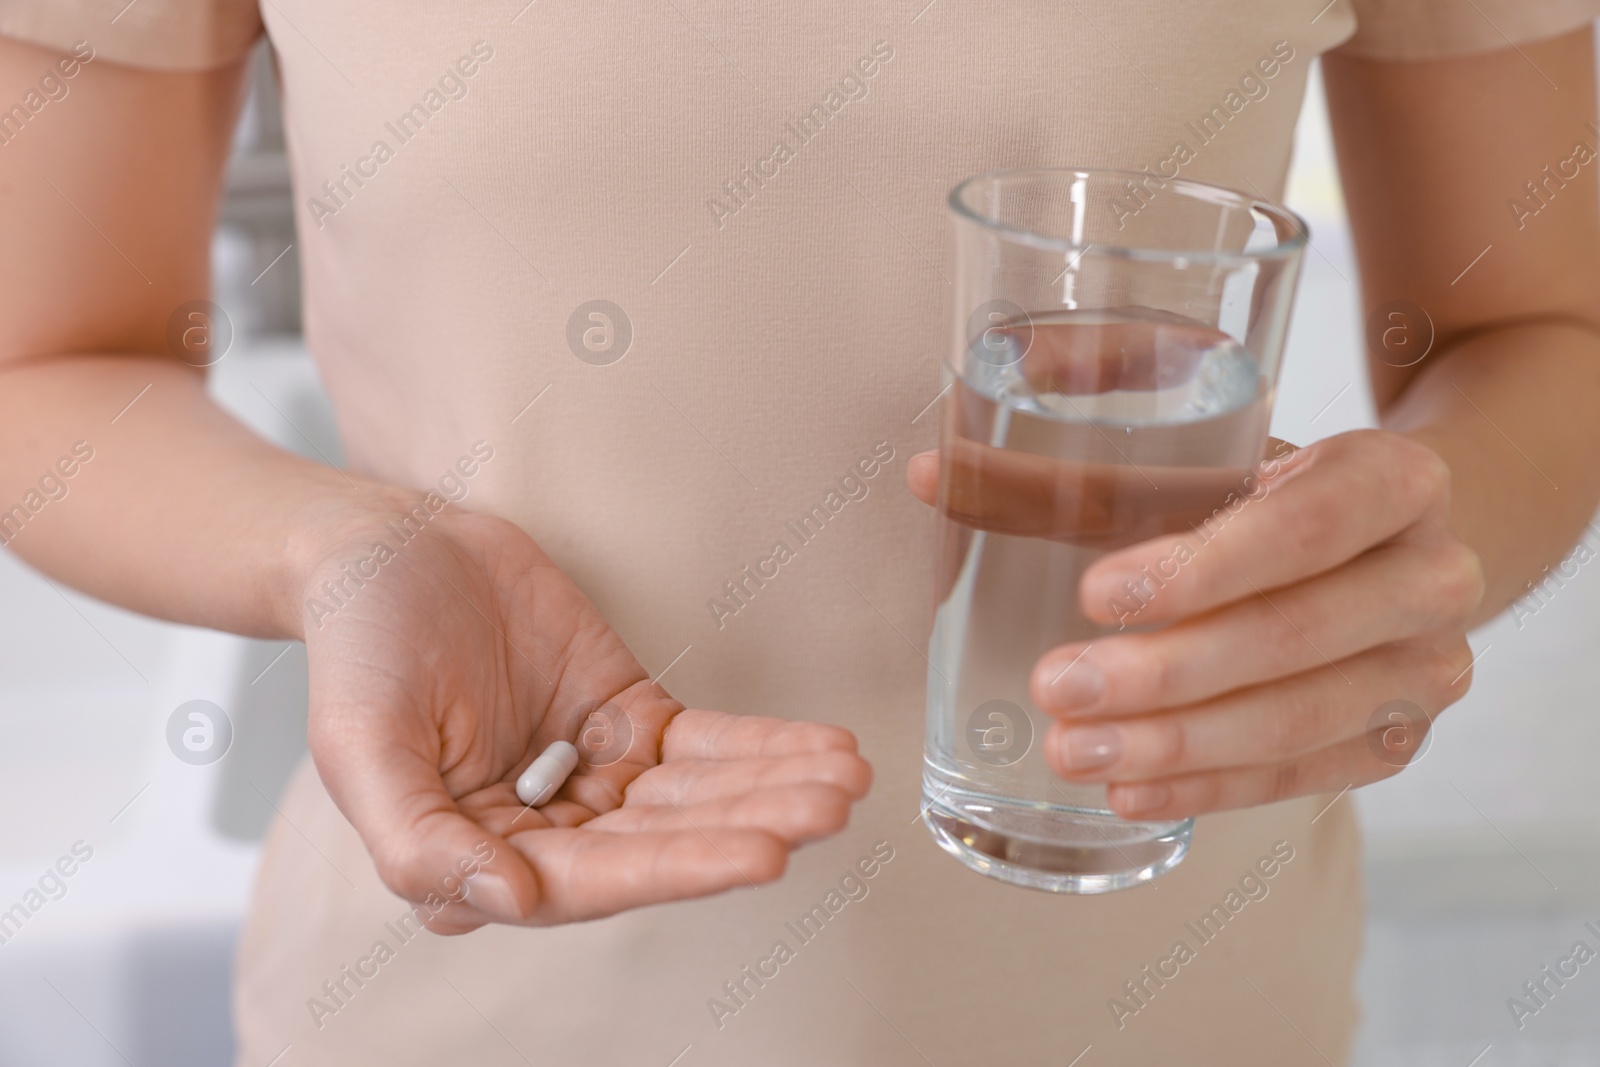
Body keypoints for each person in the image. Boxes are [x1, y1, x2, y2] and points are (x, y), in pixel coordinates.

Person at [2, 1, 1597, 1062]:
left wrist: (1407, 542)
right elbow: (48, 363)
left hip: (1175, 1006)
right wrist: (339, 553)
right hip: (462, 1001)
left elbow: (1539, 326)